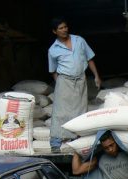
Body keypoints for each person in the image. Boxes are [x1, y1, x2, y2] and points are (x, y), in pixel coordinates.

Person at [48, 17, 101, 153]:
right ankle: (55, 143)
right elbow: (53, 71)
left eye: (65, 27)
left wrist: (96, 76)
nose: (64, 30)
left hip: (81, 79)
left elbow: (89, 59)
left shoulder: (79, 40)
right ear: (54, 31)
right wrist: (60, 85)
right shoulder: (53, 50)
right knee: (60, 112)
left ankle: (75, 141)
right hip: (64, 81)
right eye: (61, 28)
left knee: (80, 111)